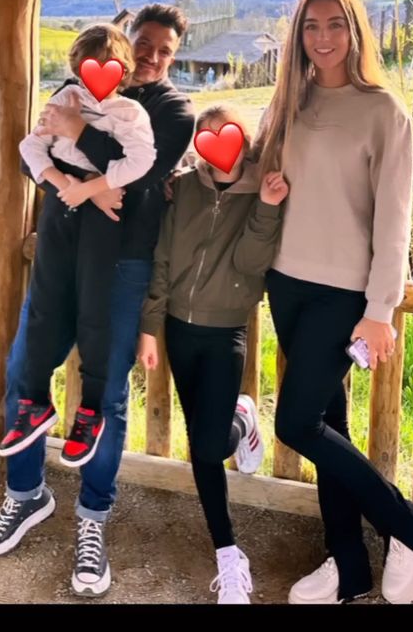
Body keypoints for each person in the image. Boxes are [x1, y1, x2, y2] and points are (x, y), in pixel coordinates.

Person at [0, 4, 195, 599]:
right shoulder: (83, 85)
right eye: (143, 45)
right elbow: (40, 152)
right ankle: (26, 495)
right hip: (64, 247)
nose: (151, 57)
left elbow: (146, 177)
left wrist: (80, 137)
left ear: (173, 57)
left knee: (107, 389)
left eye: (163, 51)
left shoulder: (175, 110)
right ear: (126, 48)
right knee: (25, 364)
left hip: (125, 264)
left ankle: (93, 518)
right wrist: (77, 185)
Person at [254, 0, 413, 605]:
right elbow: (256, 176)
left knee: (296, 422)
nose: (322, 37)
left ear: (356, 32)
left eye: (335, 25)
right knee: (328, 420)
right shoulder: (288, 105)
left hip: (343, 295)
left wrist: (380, 310)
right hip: (287, 281)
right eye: (310, 26)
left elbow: (393, 221)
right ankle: (348, 563)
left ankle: (412, 525)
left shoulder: (383, 112)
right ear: (298, 36)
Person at [138, 103, 288, 604]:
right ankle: (228, 553)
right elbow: (161, 259)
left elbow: (250, 262)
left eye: (222, 136)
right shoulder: (181, 189)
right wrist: (151, 327)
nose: (212, 146)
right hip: (180, 330)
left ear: (243, 143)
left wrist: (266, 207)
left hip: (227, 333)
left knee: (206, 446)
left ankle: (241, 421)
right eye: (203, 137)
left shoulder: (261, 191)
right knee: (201, 446)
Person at [0, 24, 156, 468]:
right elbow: (31, 147)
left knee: (94, 311)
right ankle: (33, 403)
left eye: (109, 67)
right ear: (76, 67)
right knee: (47, 302)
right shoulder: (63, 100)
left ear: (123, 71)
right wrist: (62, 182)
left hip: (101, 218)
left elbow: (141, 162)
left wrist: (92, 189)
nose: (97, 77)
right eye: (89, 67)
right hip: (60, 211)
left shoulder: (129, 113)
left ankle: (89, 410)